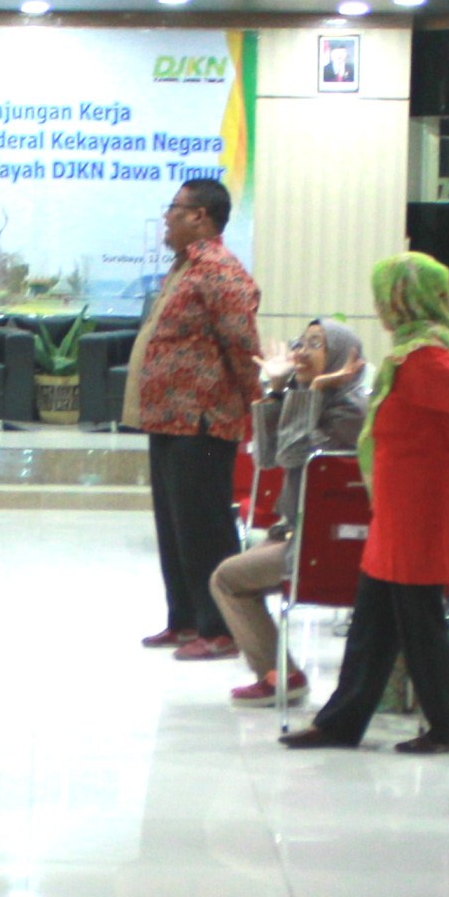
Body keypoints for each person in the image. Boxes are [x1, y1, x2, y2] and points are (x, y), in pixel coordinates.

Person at [280, 254, 449, 753]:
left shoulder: (423, 357)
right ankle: (341, 722)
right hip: (402, 504)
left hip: (421, 505)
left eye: (384, 296)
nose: (379, 306)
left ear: (403, 299)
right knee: (374, 617)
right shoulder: (415, 352)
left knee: (419, 618)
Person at [129, 175, 260, 654]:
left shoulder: (219, 270)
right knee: (175, 528)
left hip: (202, 419)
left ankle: (221, 629)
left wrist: (253, 402)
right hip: (168, 418)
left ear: (199, 216)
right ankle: (184, 619)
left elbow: (242, 344)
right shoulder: (185, 268)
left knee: (205, 529)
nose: (166, 218)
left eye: (174, 209)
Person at [210, 317, 364, 702]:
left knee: (227, 579)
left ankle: (281, 677)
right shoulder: (314, 398)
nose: (302, 352)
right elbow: (267, 458)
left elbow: (294, 453)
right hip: (300, 535)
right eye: (301, 343)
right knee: (231, 578)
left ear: (341, 359)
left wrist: (309, 391)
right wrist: (278, 391)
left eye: (316, 344)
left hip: (329, 545)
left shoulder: (350, 412)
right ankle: (281, 674)